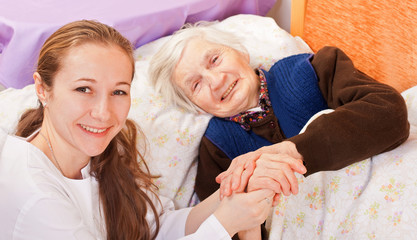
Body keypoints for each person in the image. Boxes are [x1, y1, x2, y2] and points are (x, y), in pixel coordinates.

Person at [0, 20, 275, 240]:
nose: (103, 112)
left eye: (118, 91)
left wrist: (231, 192)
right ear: (42, 89)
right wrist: (224, 224)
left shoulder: (97, 159)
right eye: (84, 89)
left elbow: (158, 228)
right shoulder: (30, 192)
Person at [149, 21, 410, 239]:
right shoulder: (217, 148)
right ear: (194, 107)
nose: (216, 81)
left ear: (241, 52)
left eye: (215, 60)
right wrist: (248, 223)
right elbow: (220, 229)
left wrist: (292, 151)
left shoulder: (313, 69)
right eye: (196, 85)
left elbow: (389, 113)